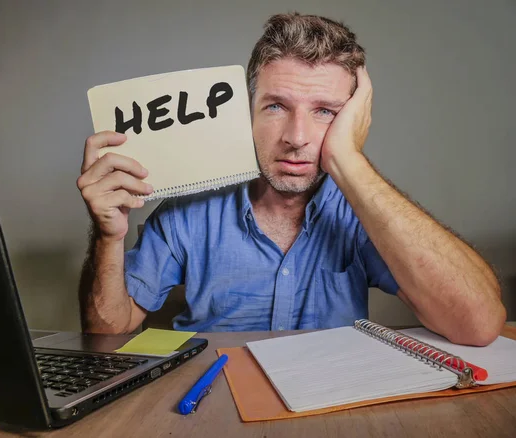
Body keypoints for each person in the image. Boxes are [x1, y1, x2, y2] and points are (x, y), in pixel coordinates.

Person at [76, 12, 505, 345]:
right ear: (246, 111)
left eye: (325, 112)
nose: (297, 139)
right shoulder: (189, 210)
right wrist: (108, 236)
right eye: (276, 106)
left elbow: (479, 323)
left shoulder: (363, 211)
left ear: (354, 120)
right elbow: (108, 332)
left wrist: (348, 160)